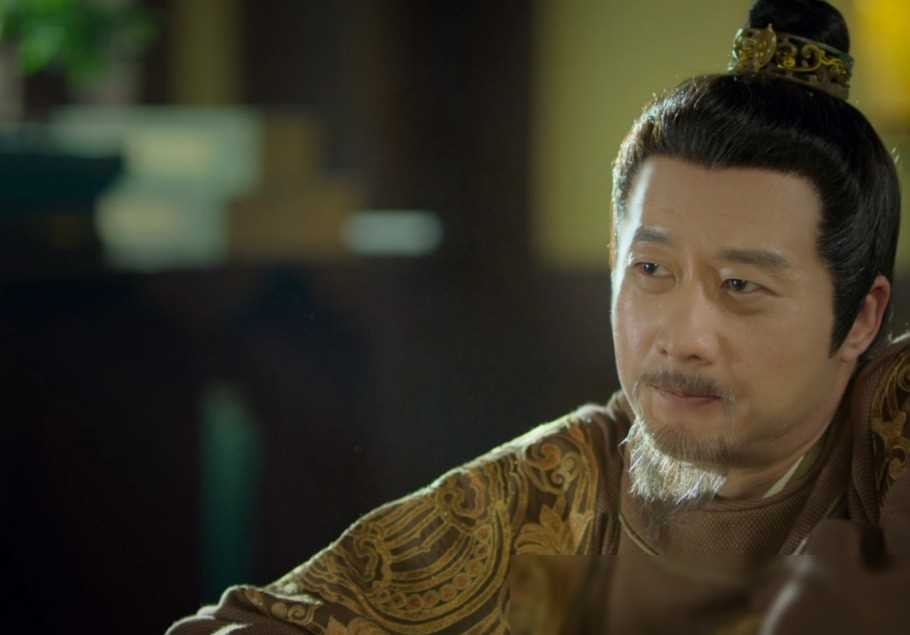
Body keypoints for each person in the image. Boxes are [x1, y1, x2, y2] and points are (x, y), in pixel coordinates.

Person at [168, 1, 910, 633]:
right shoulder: (554, 497)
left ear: (861, 316)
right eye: (652, 271)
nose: (683, 338)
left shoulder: (890, 437)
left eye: (742, 285)